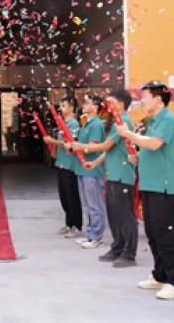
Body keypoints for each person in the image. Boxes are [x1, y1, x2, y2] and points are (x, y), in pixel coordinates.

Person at [116, 81, 174, 300]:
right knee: (153, 234)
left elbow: (155, 144)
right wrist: (138, 157)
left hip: (164, 189)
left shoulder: (168, 120)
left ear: (158, 99)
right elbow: (151, 149)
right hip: (149, 186)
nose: (141, 101)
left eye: (144, 97)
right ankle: (160, 275)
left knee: (167, 235)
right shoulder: (153, 122)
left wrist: (128, 134)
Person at [72, 89, 137, 267]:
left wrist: (81, 146)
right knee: (114, 215)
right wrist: (95, 163)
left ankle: (129, 253)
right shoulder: (116, 122)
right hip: (113, 173)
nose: (107, 106)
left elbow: (105, 145)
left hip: (123, 174)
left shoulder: (123, 122)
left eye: (111, 102)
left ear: (121, 104)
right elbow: (110, 150)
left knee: (125, 216)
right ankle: (117, 247)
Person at [65, 94, 106, 249]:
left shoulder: (96, 125)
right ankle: (90, 234)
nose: (84, 104)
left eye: (87, 102)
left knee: (95, 205)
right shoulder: (86, 123)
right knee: (88, 205)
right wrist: (73, 147)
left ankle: (96, 236)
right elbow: (81, 145)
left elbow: (93, 146)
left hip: (92, 170)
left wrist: (77, 146)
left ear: (95, 107)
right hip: (82, 169)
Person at [42, 96, 83, 239]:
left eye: (64, 105)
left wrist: (52, 141)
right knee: (64, 196)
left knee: (72, 196)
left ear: (71, 107)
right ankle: (69, 223)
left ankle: (77, 225)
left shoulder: (74, 124)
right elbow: (62, 142)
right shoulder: (62, 123)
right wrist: (54, 149)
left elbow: (71, 143)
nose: (61, 108)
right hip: (61, 163)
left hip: (70, 165)